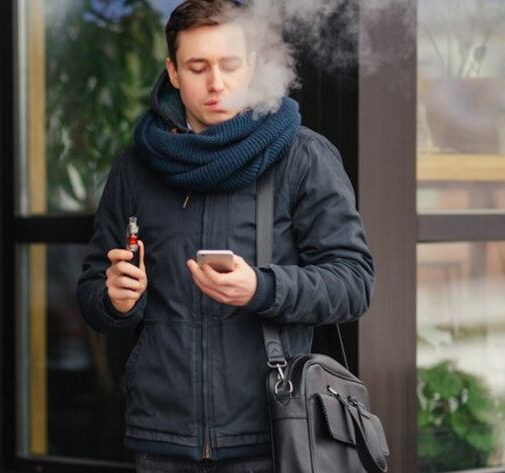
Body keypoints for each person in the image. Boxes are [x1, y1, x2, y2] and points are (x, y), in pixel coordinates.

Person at [76, 1, 375, 472]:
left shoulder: (303, 156)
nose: (216, 82)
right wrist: (115, 299)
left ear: (252, 65)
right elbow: (93, 292)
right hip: (161, 441)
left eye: (229, 65)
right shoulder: (135, 168)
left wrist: (262, 288)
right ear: (173, 72)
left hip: (274, 435)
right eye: (198, 67)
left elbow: (354, 284)